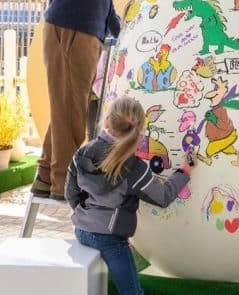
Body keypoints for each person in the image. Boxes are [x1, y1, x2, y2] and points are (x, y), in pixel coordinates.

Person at [33, 0, 191, 200]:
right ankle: (63, 186)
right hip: (70, 31)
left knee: (68, 107)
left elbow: (102, 2)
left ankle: (45, 177)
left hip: (83, 32)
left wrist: (122, 32)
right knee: (72, 112)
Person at [65, 96, 194, 295]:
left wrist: (87, 218)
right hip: (111, 240)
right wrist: (185, 171)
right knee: (132, 292)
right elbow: (163, 197)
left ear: (107, 120)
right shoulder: (135, 168)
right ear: (139, 129)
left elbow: (71, 193)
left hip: (81, 230)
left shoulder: (82, 153)